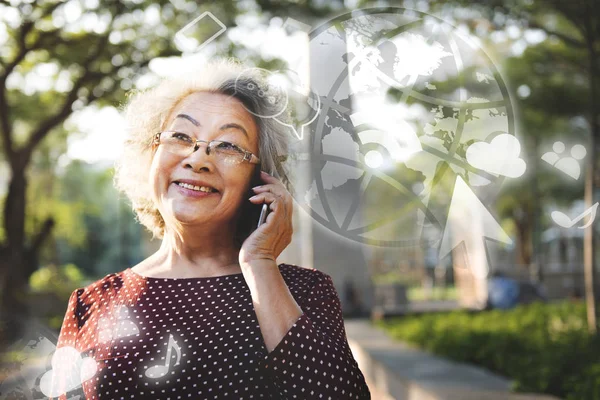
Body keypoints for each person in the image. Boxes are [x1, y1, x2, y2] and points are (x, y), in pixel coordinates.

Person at [50, 59, 371, 399]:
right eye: (180, 136)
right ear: (150, 155)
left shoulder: (304, 291)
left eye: (228, 146)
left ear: (260, 178)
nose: (197, 159)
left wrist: (260, 264)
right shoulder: (91, 303)